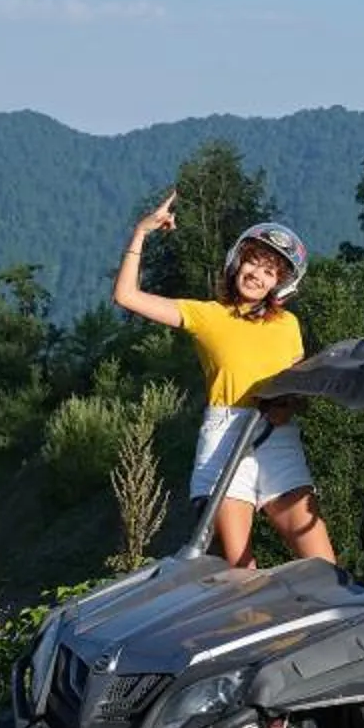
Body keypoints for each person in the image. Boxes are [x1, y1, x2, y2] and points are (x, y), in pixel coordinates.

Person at [112, 193, 334, 568]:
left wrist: (289, 404)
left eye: (270, 272)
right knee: (240, 568)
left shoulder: (288, 324)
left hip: (276, 436)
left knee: (322, 562)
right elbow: (126, 296)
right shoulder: (207, 315)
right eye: (253, 263)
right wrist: (141, 233)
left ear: (279, 284)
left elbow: (299, 387)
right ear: (237, 262)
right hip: (227, 435)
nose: (257, 275)